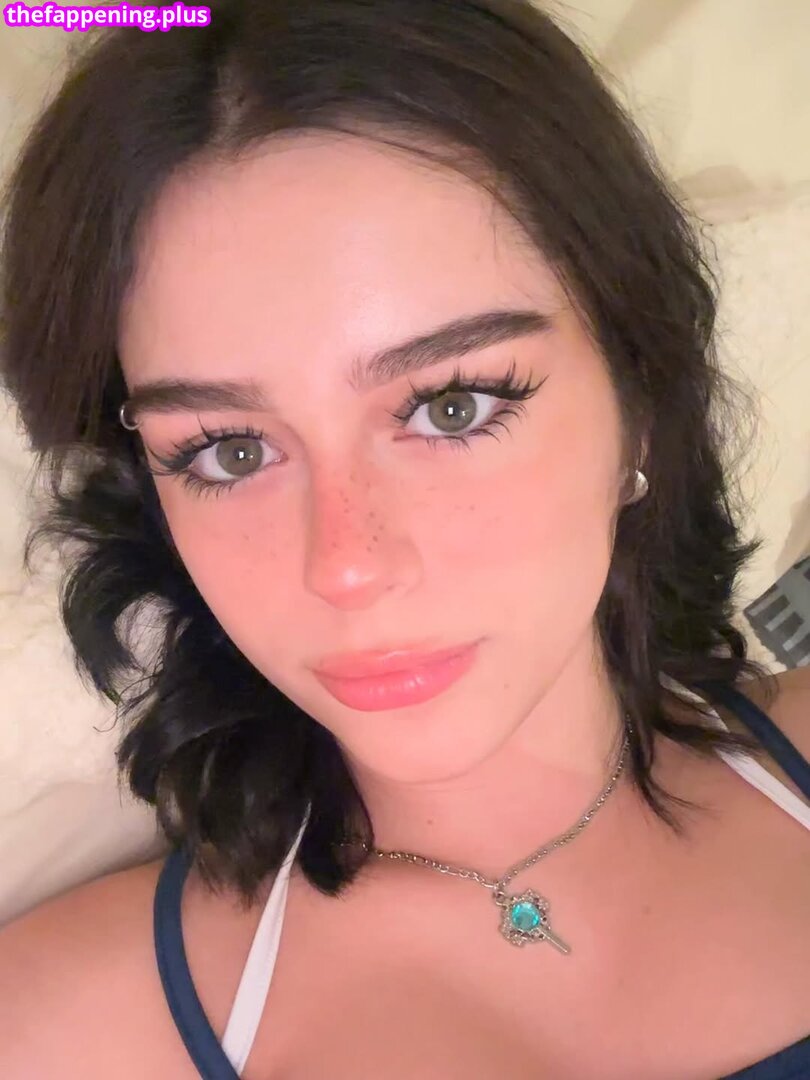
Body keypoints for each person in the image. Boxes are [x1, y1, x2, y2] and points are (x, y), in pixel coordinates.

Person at [0, 1, 808, 1076]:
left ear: (641, 404)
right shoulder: (62, 1030)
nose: (348, 565)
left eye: (452, 407)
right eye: (230, 451)